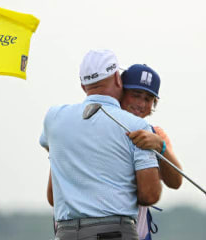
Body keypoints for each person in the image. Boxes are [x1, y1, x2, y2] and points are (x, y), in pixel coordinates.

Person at [40, 50, 162, 240]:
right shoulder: (136, 125)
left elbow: (52, 197)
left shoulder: (53, 118)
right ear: (117, 78)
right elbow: (149, 195)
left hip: (66, 233)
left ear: (83, 85)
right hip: (114, 232)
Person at [121, 64, 183, 240]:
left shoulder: (156, 134)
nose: (140, 104)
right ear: (122, 93)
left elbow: (176, 181)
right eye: (135, 95)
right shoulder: (100, 125)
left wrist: (160, 147)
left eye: (148, 99)